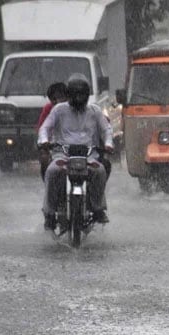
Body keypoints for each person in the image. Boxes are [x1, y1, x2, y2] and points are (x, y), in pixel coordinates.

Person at [38, 75, 114, 230]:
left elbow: (106, 130)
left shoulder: (95, 111)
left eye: (82, 95)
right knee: (52, 172)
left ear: (87, 96)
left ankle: (98, 208)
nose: (79, 98)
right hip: (63, 154)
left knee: (99, 171)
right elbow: (44, 128)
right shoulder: (59, 110)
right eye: (75, 95)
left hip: (88, 156)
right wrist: (44, 140)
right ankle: (50, 213)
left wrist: (108, 143)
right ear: (69, 95)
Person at [36, 82, 67, 181]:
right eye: (54, 99)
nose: (58, 101)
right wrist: (45, 143)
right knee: (45, 159)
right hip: (55, 146)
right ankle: (49, 186)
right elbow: (43, 128)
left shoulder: (76, 108)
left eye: (61, 97)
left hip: (75, 145)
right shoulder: (49, 109)